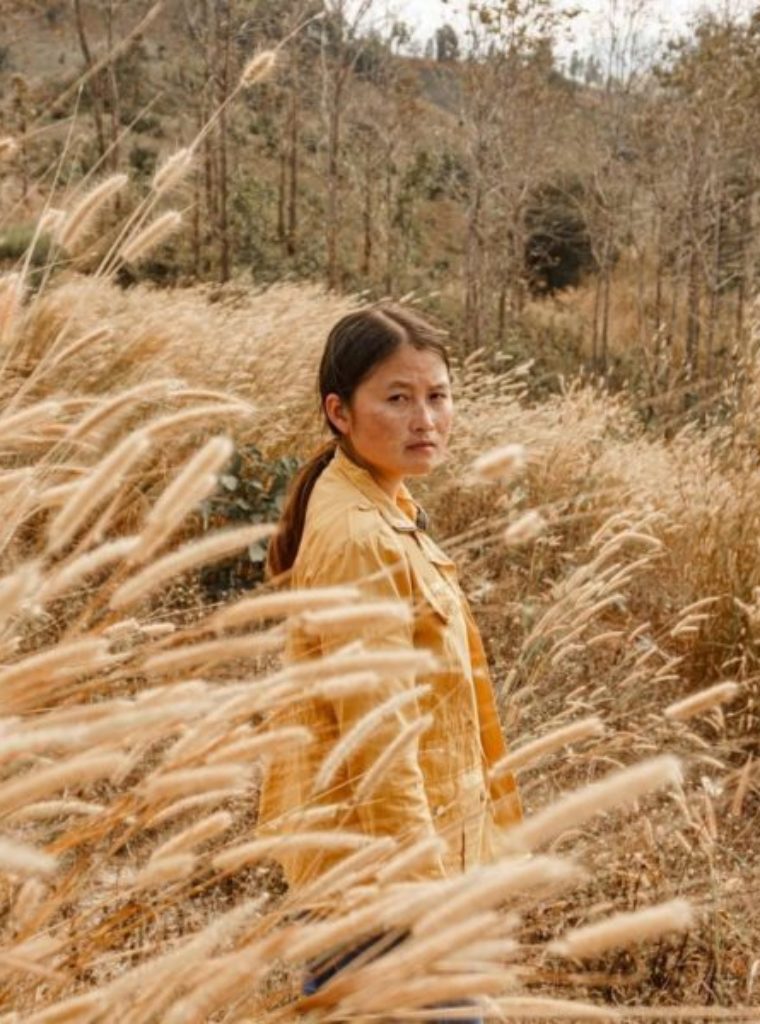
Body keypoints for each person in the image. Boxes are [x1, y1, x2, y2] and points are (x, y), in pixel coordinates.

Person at [259, 304, 522, 1021]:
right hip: (379, 887)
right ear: (339, 412)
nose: (425, 420)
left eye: (438, 396)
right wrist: (426, 899)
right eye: (398, 399)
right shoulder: (357, 534)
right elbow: (380, 740)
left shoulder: (383, 505)